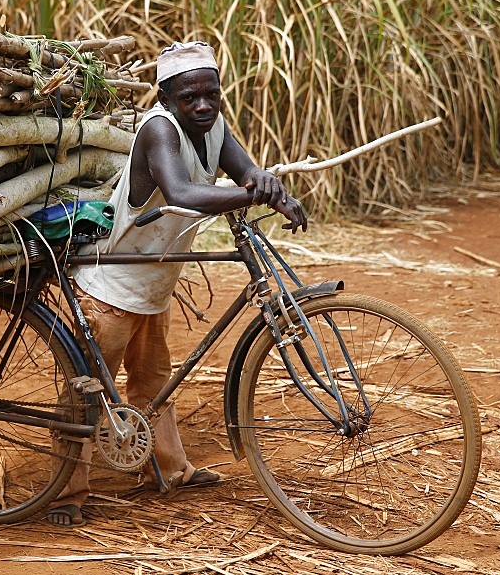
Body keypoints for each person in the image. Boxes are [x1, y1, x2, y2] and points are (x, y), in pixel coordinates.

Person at [46, 41, 307, 527]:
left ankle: (169, 469)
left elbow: (246, 170)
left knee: (151, 382)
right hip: (112, 284)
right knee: (87, 391)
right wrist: (248, 192)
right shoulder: (158, 130)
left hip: (153, 283)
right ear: (166, 97)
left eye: (212, 93)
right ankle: (65, 492)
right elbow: (182, 192)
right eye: (190, 97)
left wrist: (272, 189)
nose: (203, 105)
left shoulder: (214, 128)